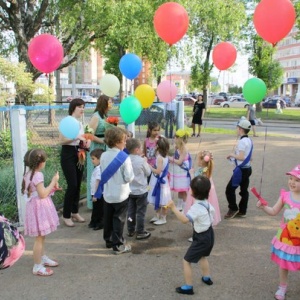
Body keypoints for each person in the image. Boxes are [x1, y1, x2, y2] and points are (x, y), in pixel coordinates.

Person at [256, 165, 300, 300]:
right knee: (284, 264)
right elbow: (274, 211)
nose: (292, 182)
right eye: (291, 178)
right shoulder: (285, 196)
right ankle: (282, 286)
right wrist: (264, 207)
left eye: (297, 180)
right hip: (285, 239)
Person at [167, 175, 215, 295]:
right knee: (203, 256)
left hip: (201, 237)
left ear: (192, 192)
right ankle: (206, 277)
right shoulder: (208, 204)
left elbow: (184, 220)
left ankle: (188, 287)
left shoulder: (196, 208)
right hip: (209, 234)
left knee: (186, 261)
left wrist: (173, 208)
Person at [95, 127, 134, 254]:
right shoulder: (124, 157)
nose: (126, 143)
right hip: (121, 194)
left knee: (108, 217)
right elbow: (128, 177)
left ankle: (108, 240)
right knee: (119, 219)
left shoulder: (104, 155)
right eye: (124, 140)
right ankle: (118, 244)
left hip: (107, 193)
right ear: (117, 142)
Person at [21, 149, 60, 276]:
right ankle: (37, 266)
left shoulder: (29, 174)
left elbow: (38, 192)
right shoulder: (38, 175)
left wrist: (52, 188)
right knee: (39, 238)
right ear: (40, 163)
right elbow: (43, 194)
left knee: (41, 236)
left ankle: (42, 258)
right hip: (40, 208)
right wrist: (54, 181)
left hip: (35, 207)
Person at [60, 98, 89, 227]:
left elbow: (81, 139)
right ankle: (66, 215)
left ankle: (75, 211)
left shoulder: (80, 123)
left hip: (79, 152)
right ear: (73, 108)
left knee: (77, 185)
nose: (82, 109)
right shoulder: (66, 121)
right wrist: (76, 137)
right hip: (68, 154)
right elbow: (62, 140)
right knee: (72, 184)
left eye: (83, 107)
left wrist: (85, 143)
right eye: (79, 107)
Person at [86, 95, 113, 208]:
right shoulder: (96, 117)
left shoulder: (105, 116)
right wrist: (102, 141)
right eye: (110, 102)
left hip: (105, 148)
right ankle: (93, 202)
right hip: (97, 148)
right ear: (104, 103)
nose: (111, 104)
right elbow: (89, 134)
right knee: (95, 174)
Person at [225, 119, 253, 219]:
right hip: (248, 168)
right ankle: (242, 210)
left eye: (237, 127)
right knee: (244, 190)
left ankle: (233, 208)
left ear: (241, 129)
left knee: (229, 190)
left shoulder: (242, 142)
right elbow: (249, 156)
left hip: (241, 170)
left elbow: (241, 157)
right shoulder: (249, 140)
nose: (237, 129)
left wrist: (231, 154)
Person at [184, 150, 221, 227]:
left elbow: (196, 184)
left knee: (198, 211)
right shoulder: (205, 170)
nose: (197, 160)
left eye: (198, 159)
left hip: (199, 193)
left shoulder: (203, 172)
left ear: (201, 161)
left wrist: (191, 174)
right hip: (205, 192)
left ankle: (199, 231)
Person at [126, 138, 152, 239]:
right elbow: (148, 172)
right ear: (137, 149)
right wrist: (145, 161)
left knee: (130, 211)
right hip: (141, 190)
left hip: (130, 190)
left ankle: (130, 229)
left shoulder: (126, 159)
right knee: (140, 212)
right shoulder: (141, 161)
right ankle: (140, 231)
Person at [148, 136, 171, 225]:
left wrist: (149, 167)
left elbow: (158, 171)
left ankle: (163, 217)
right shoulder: (165, 156)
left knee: (163, 198)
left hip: (159, 179)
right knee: (159, 197)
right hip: (162, 179)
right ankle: (157, 215)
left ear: (158, 146)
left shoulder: (160, 158)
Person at [169, 129, 192, 211]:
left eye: (176, 137)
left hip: (182, 173)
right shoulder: (177, 147)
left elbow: (179, 162)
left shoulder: (184, 149)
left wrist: (170, 159)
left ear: (180, 139)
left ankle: (186, 207)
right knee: (180, 189)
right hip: (178, 173)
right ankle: (179, 205)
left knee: (183, 190)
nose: (174, 138)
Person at [88, 148, 104, 231]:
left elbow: (98, 181)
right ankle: (94, 221)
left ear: (100, 159)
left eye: (93, 159)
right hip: (94, 192)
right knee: (95, 208)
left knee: (99, 209)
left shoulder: (99, 169)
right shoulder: (97, 168)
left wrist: (96, 194)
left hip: (97, 193)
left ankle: (100, 223)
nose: (92, 161)